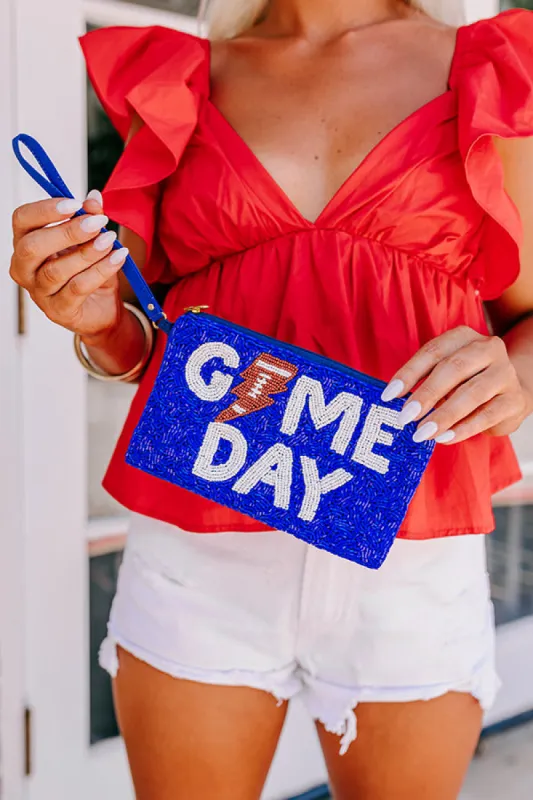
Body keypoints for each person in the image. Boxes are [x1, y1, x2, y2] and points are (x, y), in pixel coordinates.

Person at [9, 1, 533, 797]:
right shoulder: (183, 79)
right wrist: (95, 317)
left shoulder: (487, 70)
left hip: (409, 542)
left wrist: (514, 377)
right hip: (200, 542)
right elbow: (141, 345)